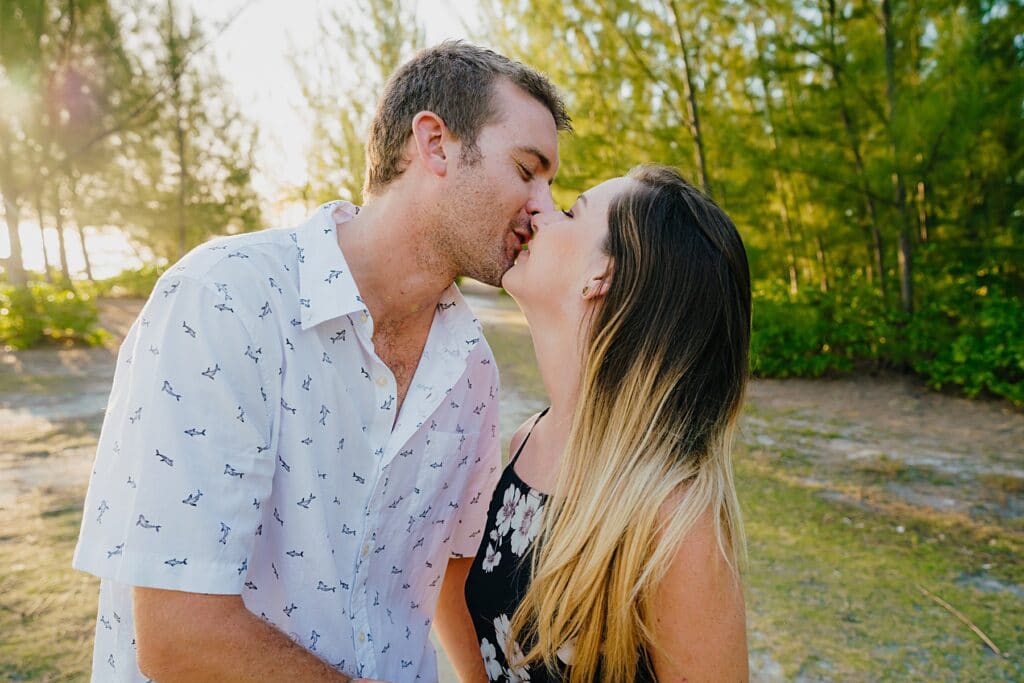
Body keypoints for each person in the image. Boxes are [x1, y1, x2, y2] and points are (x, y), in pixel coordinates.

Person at [71, 40, 571, 682]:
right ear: (436, 143)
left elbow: (451, 573)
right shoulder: (225, 298)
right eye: (528, 169)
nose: (543, 208)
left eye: (551, 184)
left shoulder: (470, 367)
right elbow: (179, 637)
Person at [464, 165, 752, 682]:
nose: (539, 212)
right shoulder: (526, 441)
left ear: (604, 275)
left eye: (571, 212)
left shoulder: (673, 520)